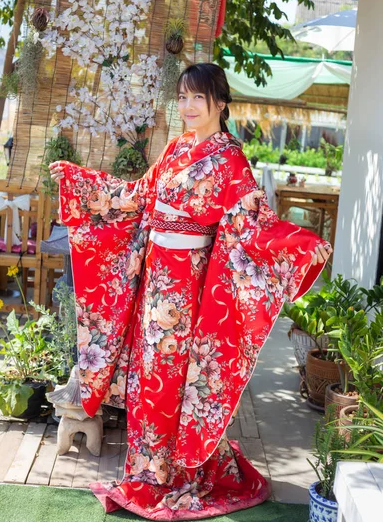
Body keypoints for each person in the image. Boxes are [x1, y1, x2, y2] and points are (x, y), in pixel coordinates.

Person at [49, 63, 331, 520]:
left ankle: (172, 473)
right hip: (154, 279)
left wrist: (296, 243)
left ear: (219, 101)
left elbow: (250, 226)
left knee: (171, 380)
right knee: (147, 378)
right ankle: (146, 470)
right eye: (181, 97)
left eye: (197, 97)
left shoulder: (230, 161)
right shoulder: (177, 148)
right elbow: (141, 195)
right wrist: (83, 184)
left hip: (186, 286)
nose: (188, 107)